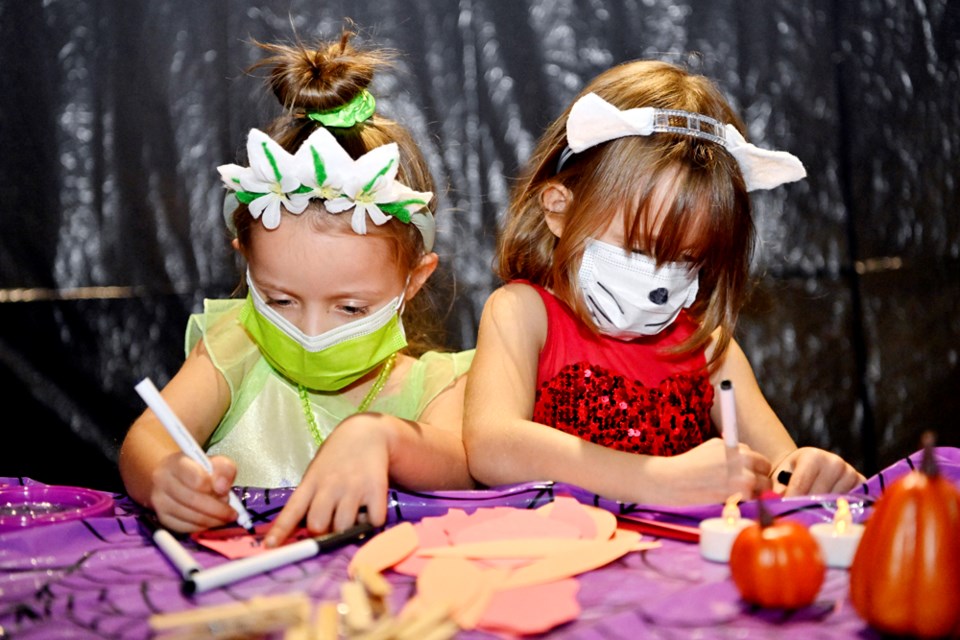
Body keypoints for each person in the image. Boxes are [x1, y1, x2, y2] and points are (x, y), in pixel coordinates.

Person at [119, 31, 474, 547]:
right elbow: (144, 442)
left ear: (414, 280)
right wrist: (165, 479)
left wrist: (380, 437)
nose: (311, 333)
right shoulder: (238, 346)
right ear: (246, 265)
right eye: (280, 300)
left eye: (351, 307)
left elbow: (464, 471)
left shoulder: (438, 386)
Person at [463, 59, 864, 506]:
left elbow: (780, 469)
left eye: (688, 259)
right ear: (559, 209)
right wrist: (656, 479)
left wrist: (809, 472)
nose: (660, 280)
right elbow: (491, 446)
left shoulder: (710, 350)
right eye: (639, 248)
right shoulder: (523, 313)